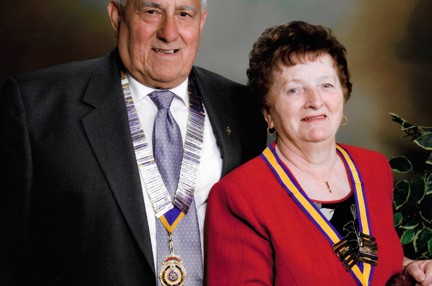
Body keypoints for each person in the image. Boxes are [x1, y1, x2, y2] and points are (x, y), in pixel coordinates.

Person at [0, 0, 267, 285]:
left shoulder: (242, 109)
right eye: (151, 12)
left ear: (201, 22)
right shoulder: (37, 107)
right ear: (117, 16)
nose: (169, 32)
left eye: (184, 14)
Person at [205, 21, 432, 285]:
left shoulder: (374, 169)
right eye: (294, 90)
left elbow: (368, 266)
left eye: (326, 85)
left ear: (343, 94)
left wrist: (413, 268)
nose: (315, 100)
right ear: (267, 112)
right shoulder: (239, 196)